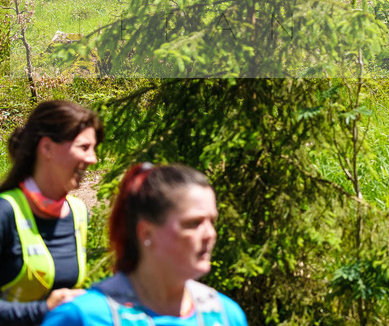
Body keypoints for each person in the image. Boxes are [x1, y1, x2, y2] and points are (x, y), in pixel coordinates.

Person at [42, 163, 247, 326]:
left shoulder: (225, 316)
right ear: (147, 233)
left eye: (212, 222)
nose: (210, 234)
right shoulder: (84, 316)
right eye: (193, 223)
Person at [1, 101, 103, 325]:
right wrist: (43, 309)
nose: (92, 159)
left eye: (93, 149)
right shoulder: (5, 212)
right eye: (83, 147)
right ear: (47, 148)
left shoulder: (77, 212)